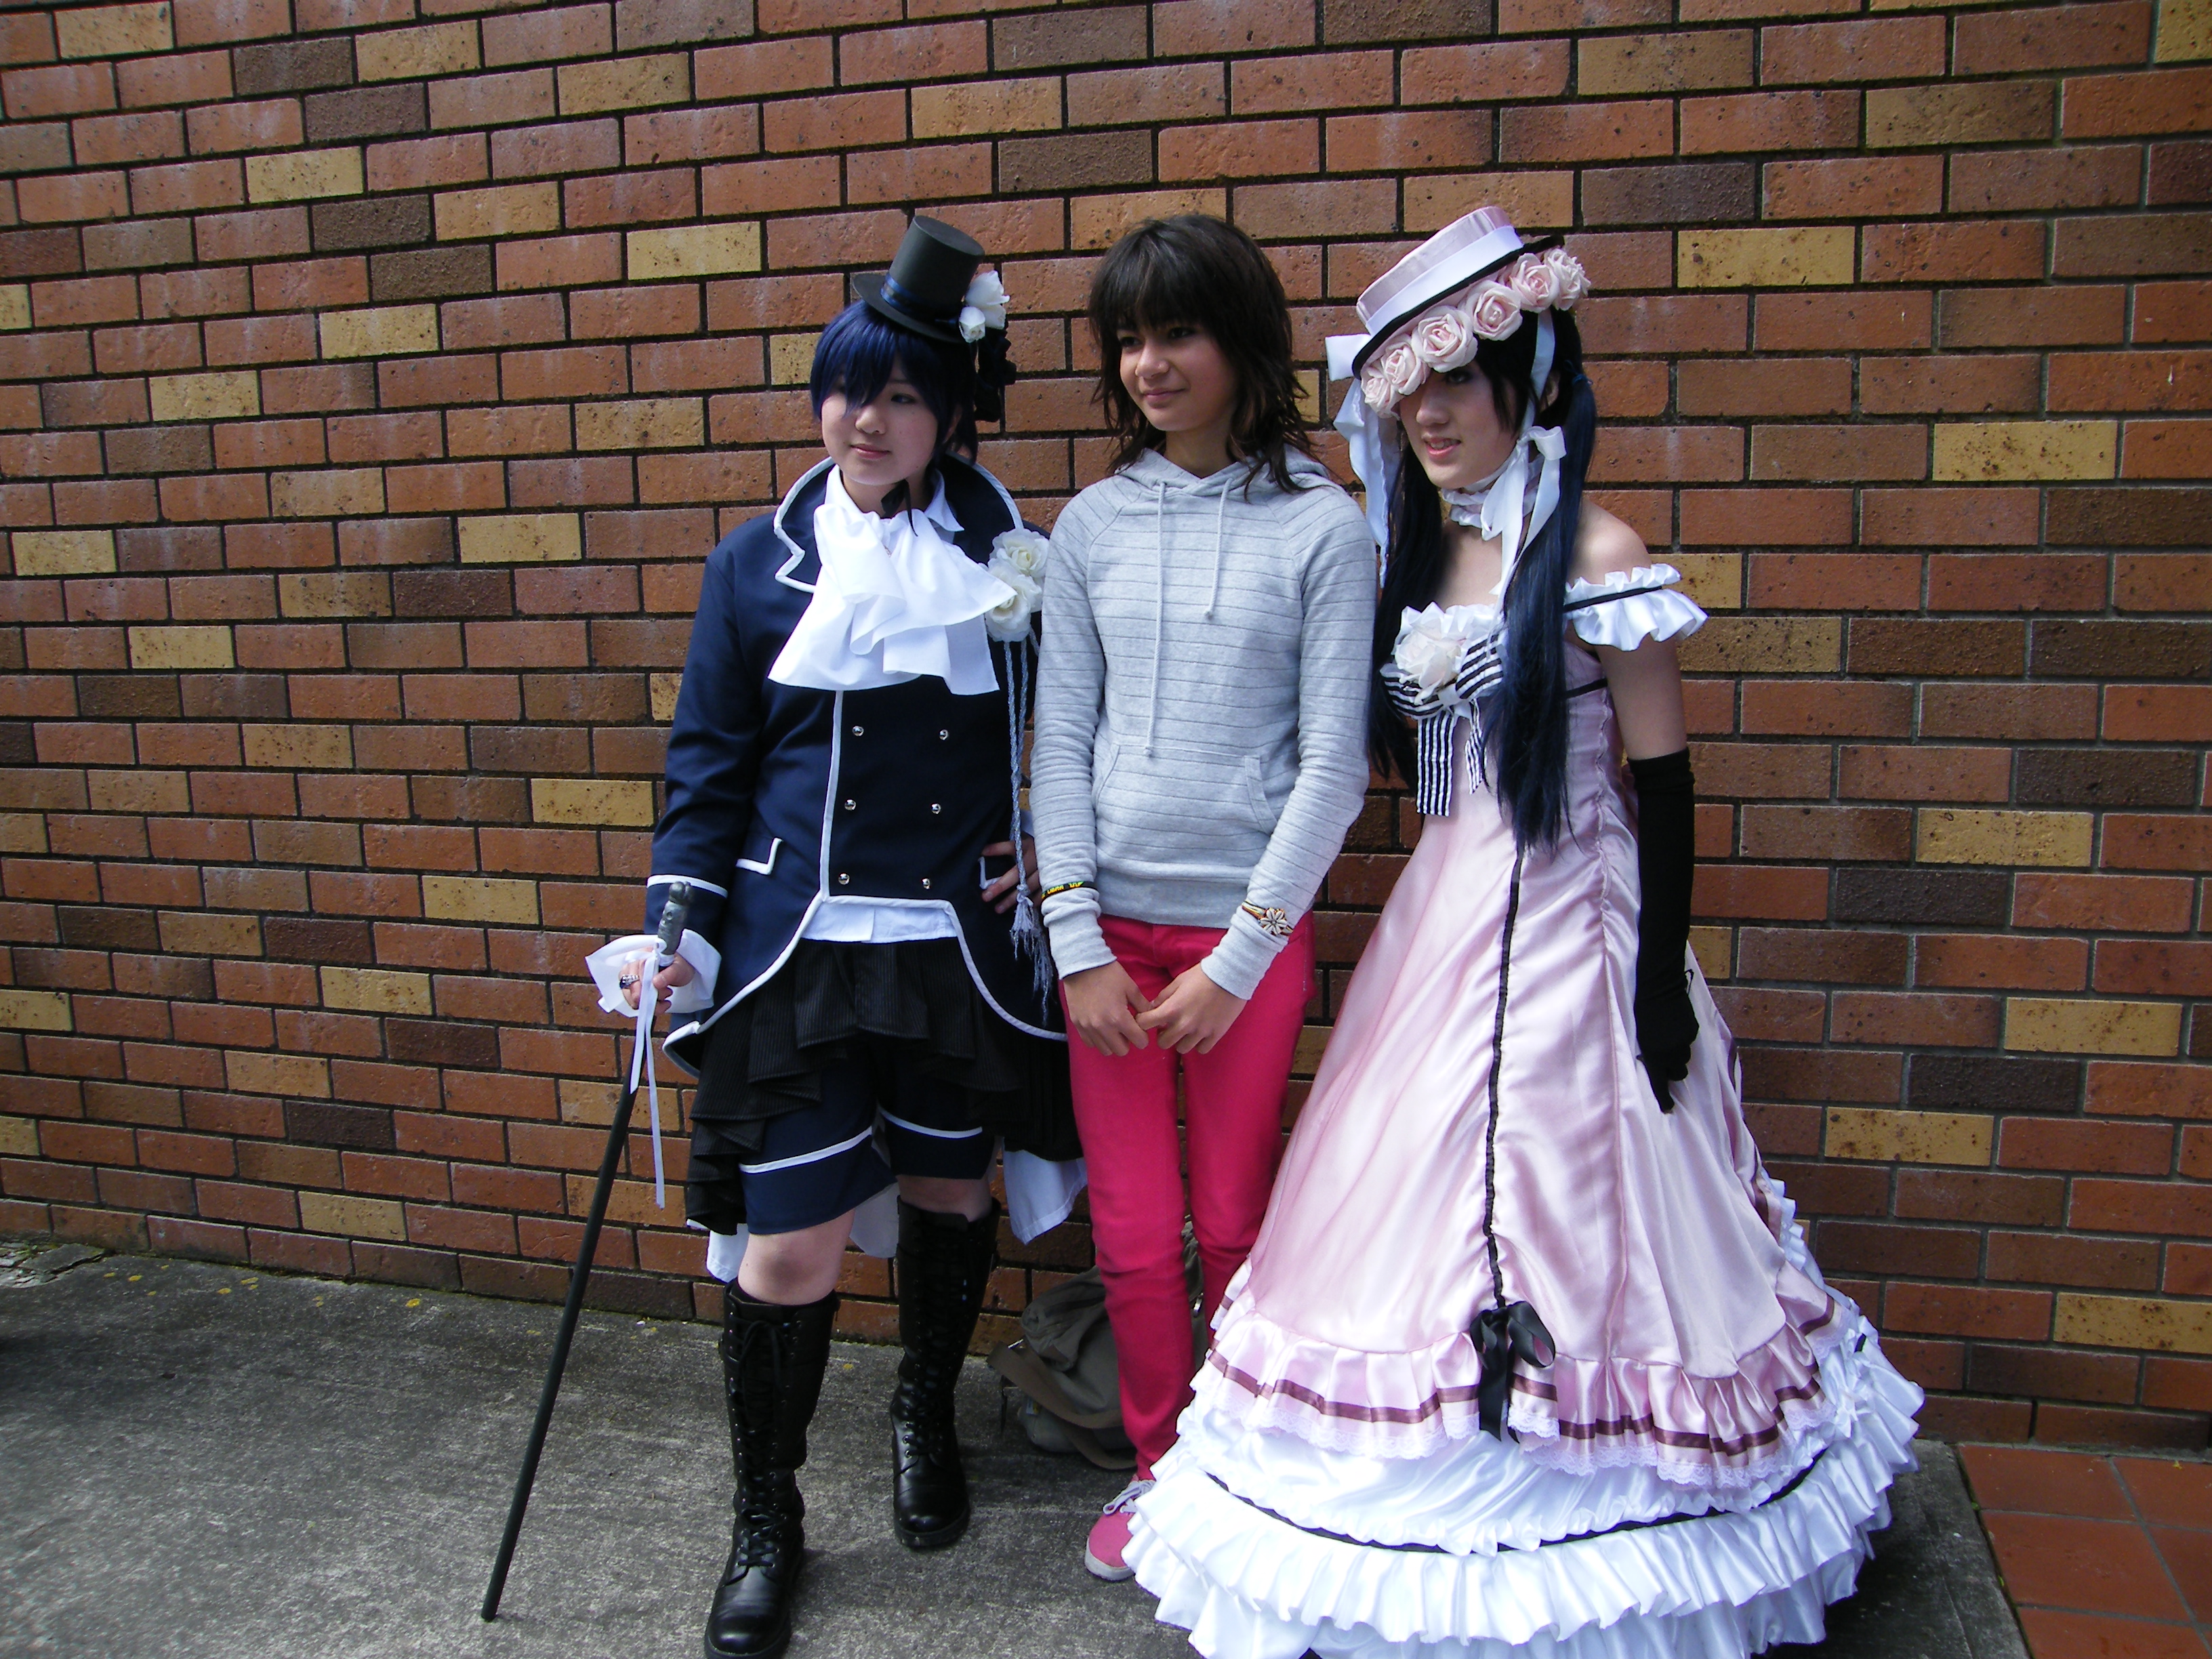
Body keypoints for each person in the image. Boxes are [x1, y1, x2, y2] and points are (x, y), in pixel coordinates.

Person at [1122, 207, 1923, 1658]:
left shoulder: (1599, 552)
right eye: (1410, 392)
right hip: (1446, 914)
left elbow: (1668, 788)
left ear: (1531, 376)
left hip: (1576, 918)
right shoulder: (1425, 553)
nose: (1430, 415)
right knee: (1405, 1178)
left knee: (1574, 1185)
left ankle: (1606, 1501)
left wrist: (1659, 993)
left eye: (1459, 382)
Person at [613, 216, 1078, 1659]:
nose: (863, 419)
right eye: (843, 390)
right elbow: (706, 769)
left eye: (899, 396)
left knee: (947, 1195)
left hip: (953, 951)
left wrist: (1046, 846)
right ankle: (767, 1518)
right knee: (790, 1245)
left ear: (950, 413)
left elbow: (1074, 737)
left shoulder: (1015, 559)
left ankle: (923, 1412)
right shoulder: (753, 567)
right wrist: (678, 919)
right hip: (792, 955)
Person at [1027, 215, 1378, 1584]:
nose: (1149, 364)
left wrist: (1239, 959)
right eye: (1128, 339)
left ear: (1242, 344)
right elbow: (1059, 744)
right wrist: (1074, 943)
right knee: (1128, 1230)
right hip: (1108, 941)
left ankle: (1240, 1466)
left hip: (1245, 941)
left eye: (1177, 333)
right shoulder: (1092, 528)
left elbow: (1335, 767)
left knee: (1235, 1218)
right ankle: (1159, 1465)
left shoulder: (1324, 528)